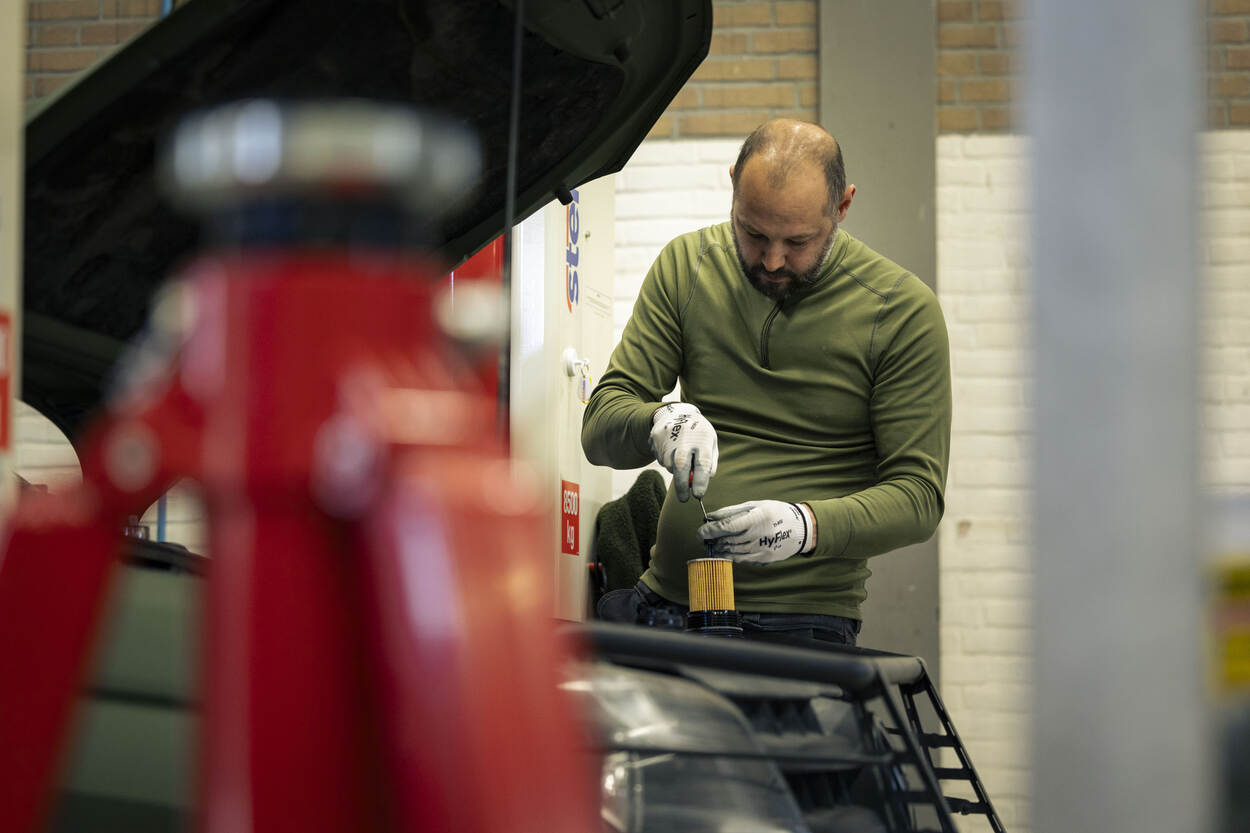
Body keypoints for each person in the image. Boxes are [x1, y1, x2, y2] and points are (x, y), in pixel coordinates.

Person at [581, 119, 951, 646]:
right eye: (752, 233)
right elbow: (599, 428)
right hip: (664, 604)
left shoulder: (899, 311)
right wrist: (659, 421)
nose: (773, 261)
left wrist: (807, 527)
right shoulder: (687, 268)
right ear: (732, 185)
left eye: (799, 241)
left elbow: (918, 498)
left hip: (802, 624)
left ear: (842, 207)